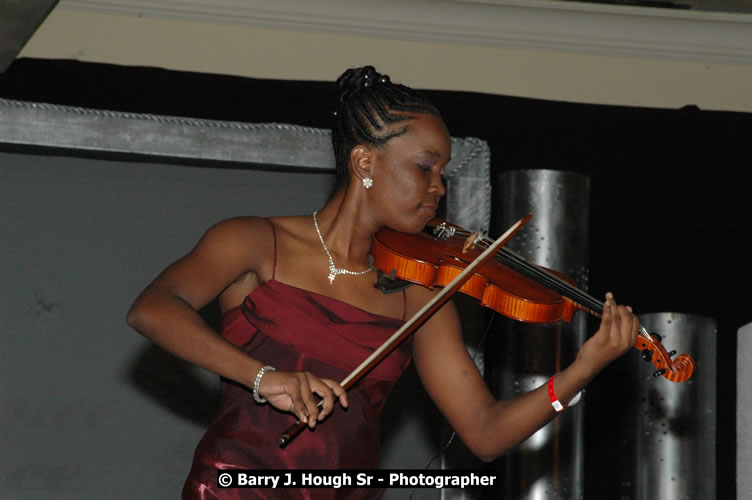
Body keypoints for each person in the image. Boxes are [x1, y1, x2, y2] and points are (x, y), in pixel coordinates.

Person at [126, 65, 638, 499]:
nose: (439, 186)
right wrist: (263, 377)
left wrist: (581, 371)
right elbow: (153, 309)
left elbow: (484, 432)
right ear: (364, 162)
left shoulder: (418, 291)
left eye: (445, 171)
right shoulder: (255, 242)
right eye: (425, 167)